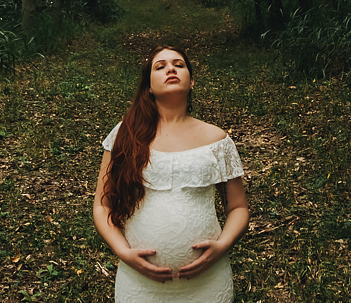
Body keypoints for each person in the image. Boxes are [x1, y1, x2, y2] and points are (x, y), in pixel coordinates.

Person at [93, 44, 248, 302]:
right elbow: (102, 205)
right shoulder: (125, 134)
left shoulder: (217, 139)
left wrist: (222, 246)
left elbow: (238, 207)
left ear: (192, 81)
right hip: (140, 283)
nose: (171, 69)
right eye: (160, 66)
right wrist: (123, 252)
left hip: (207, 281)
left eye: (179, 64)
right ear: (149, 87)